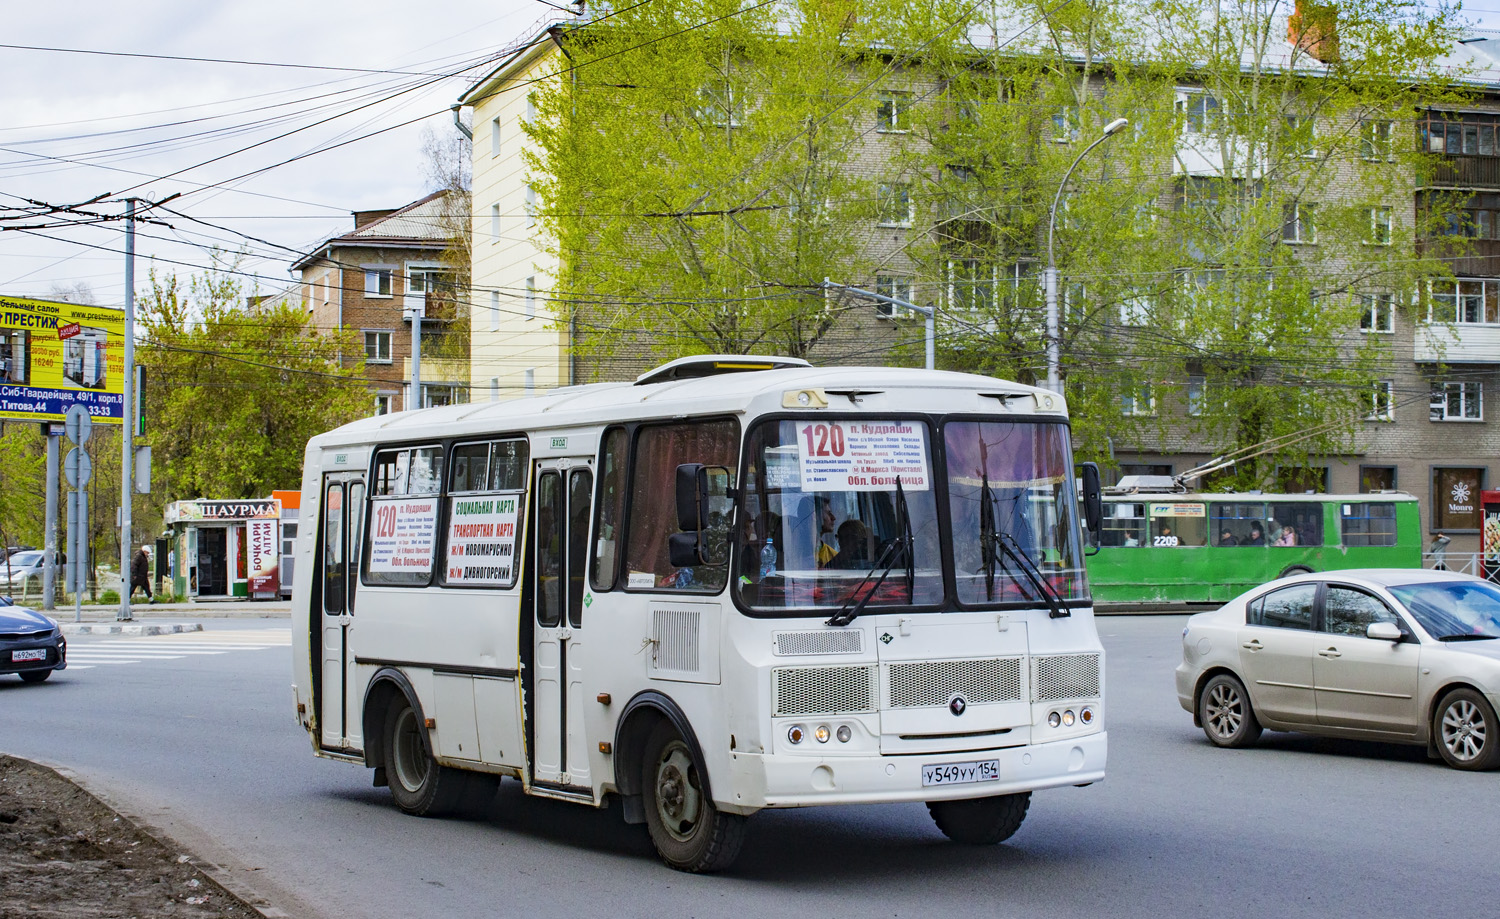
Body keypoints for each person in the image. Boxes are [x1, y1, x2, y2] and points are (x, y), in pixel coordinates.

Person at [816, 499, 839, 567]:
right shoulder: (793, 554)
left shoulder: (833, 556)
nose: (833, 518)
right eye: (828, 513)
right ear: (815, 516)